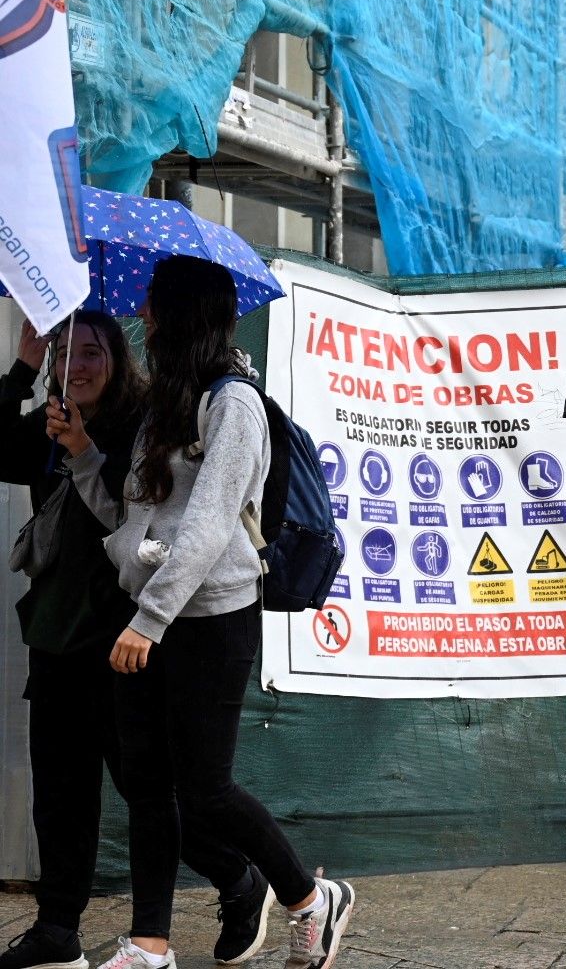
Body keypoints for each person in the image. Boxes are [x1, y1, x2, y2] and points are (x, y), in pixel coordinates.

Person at [63, 258, 355, 969]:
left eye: (155, 308)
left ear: (184, 315)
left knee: (207, 790)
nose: (146, 320)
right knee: (146, 788)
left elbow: (211, 526)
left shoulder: (234, 405)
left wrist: (150, 620)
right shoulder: (166, 404)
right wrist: (78, 457)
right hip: (149, 614)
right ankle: (150, 944)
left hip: (210, 620)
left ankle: (311, 898)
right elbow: (136, 520)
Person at [0, 315, 268, 969]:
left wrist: (86, 452)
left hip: (127, 638)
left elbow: (146, 526)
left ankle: (239, 881)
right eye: (66, 353)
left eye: (90, 351)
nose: (78, 365)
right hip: (59, 635)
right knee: (60, 792)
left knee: (156, 794)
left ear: (119, 358)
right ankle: (58, 929)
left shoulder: (148, 421)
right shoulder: (51, 419)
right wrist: (24, 368)